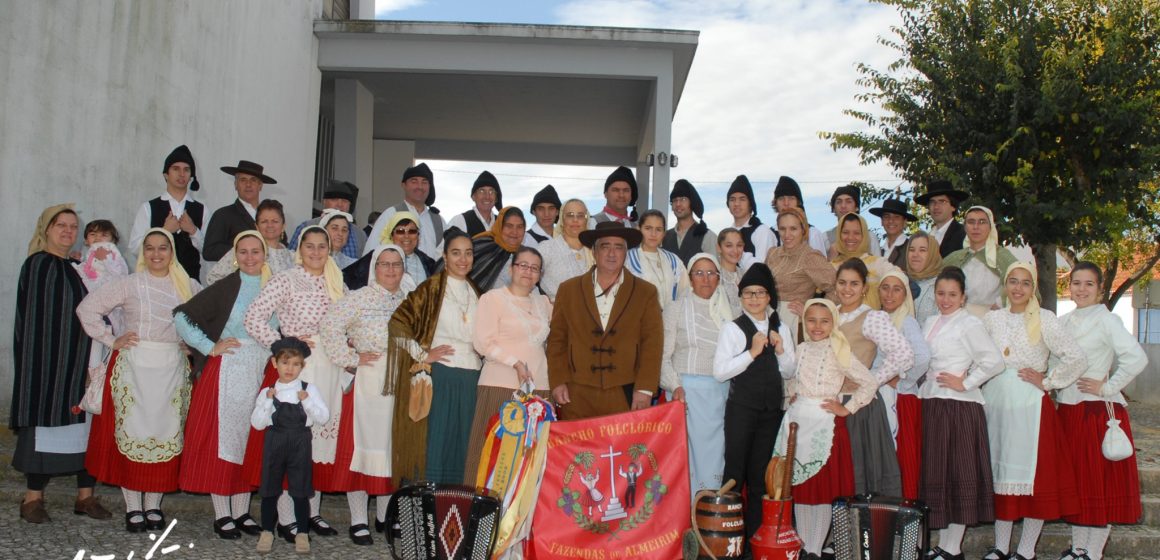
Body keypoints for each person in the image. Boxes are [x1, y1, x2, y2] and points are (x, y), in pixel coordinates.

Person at [78, 228, 201, 533]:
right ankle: (133, 507)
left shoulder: (188, 286)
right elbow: (87, 308)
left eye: (163, 248)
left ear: (172, 252)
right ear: (142, 252)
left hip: (171, 370)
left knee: (165, 435)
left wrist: (190, 344)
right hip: (134, 368)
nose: (157, 254)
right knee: (131, 436)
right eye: (150, 248)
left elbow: (207, 320)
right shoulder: (129, 284)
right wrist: (111, 339)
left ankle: (153, 506)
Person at [243, 225, 346, 540]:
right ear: (299, 249)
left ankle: (311, 514)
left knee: (319, 444)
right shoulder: (286, 279)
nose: (316, 252)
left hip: (328, 366)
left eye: (322, 246)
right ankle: (287, 519)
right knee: (294, 442)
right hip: (298, 369)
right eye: (310, 246)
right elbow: (253, 317)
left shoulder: (336, 281)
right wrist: (284, 346)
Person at [11, 205, 111, 524]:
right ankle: (32, 499)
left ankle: (85, 497)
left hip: (82, 361)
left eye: (72, 226)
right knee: (43, 428)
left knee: (85, 430)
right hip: (47, 365)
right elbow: (37, 320)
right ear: (47, 229)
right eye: (60, 225)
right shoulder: (38, 264)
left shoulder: (79, 268)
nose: (67, 231)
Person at [981, 262, 1086, 560]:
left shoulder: (1045, 319)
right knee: (999, 474)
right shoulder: (992, 319)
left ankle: (1026, 550)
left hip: (1029, 406)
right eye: (1012, 281)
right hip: (996, 403)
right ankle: (1001, 547)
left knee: (1033, 481)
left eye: (1025, 283)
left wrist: (1049, 381)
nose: (1018, 288)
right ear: (1005, 285)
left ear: (1033, 287)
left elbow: (1076, 357)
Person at [174, 231, 272, 539]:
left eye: (255, 251)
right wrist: (208, 345)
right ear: (235, 255)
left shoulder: (276, 286)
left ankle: (242, 511)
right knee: (224, 441)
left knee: (250, 441)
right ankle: (223, 514)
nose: (249, 257)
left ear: (264, 254)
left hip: (263, 368)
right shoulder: (227, 286)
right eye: (243, 252)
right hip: (230, 366)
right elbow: (182, 317)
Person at [320, 244, 414, 544]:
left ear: (403, 268)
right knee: (361, 452)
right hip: (368, 384)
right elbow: (329, 326)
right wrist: (350, 358)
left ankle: (385, 516)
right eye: (384, 264)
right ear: (374, 268)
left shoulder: (410, 302)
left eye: (396, 264)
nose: (390, 270)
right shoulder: (358, 298)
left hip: (400, 383)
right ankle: (358, 519)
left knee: (392, 449)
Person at [1057, 262, 1148, 560]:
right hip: (1068, 412)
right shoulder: (1065, 321)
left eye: (1089, 284)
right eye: (1076, 283)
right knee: (1078, 485)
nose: (1081, 289)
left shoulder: (1107, 320)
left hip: (1096, 413)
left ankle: (1092, 553)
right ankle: (1078, 548)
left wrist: (1108, 387)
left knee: (1099, 485)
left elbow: (1136, 358)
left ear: (1099, 290)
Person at [772, 298, 874, 560]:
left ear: (833, 324)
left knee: (822, 491)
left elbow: (869, 382)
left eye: (824, 321)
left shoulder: (838, 350)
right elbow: (793, 379)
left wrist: (846, 408)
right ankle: (805, 545)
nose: (817, 326)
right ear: (804, 321)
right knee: (802, 489)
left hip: (824, 425)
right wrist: (791, 395)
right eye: (812, 320)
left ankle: (815, 548)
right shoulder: (802, 348)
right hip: (797, 423)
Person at [919, 266, 1005, 560]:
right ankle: (942, 545)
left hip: (958, 407)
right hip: (932, 403)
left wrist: (964, 382)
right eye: (941, 293)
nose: (945, 299)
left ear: (963, 296)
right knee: (938, 475)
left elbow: (993, 361)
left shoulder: (969, 323)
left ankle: (952, 547)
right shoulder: (930, 320)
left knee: (957, 474)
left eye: (952, 294)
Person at [385, 230, 482, 485]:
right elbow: (397, 323)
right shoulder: (431, 288)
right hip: (442, 375)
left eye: (468, 253)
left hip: (472, 377)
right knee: (438, 442)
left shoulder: (477, 291)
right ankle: (431, 512)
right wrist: (422, 354)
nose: (463, 259)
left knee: (465, 445)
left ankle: (457, 509)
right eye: (456, 253)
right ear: (445, 256)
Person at [713, 263, 796, 547]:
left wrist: (782, 350)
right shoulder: (733, 329)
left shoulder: (781, 327)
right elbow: (720, 371)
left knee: (762, 476)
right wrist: (751, 352)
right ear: (741, 296)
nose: (754, 298)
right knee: (735, 473)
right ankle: (727, 540)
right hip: (741, 410)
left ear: (769, 296)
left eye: (760, 292)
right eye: (748, 293)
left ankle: (756, 540)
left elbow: (789, 371)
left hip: (771, 411)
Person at [547, 222, 662, 420]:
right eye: (605, 246)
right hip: (576, 393)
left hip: (624, 392)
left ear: (626, 253)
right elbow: (557, 340)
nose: (612, 253)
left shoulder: (646, 292)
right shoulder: (568, 290)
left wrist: (644, 388)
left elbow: (652, 344)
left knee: (623, 450)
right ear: (593, 251)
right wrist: (558, 381)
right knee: (578, 451)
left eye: (618, 247)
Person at [465, 246, 554, 484]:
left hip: (539, 390)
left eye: (535, 268)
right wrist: (515, 363)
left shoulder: (544, 303)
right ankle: (485, 514)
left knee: (531, 460)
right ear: (512, 268)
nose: (528, 272)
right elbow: (483, 343)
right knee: (493, 457)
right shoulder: (492, 299)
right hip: (500, 386)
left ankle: (523, 519)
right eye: (523, 265)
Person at [833, 258, 914, 497]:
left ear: (864, 288)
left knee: (861, 473)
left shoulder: (871, 318)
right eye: (842, 283)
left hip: (861, 406)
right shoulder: (830, 314)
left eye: (854, 284)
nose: (847, 289)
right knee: (839, 476)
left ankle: (868, 533)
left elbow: (904, 354)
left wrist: (872, 381)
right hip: (832, 402)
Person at [661, 253, 733, 494]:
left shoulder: (730, 310)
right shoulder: (676, 308)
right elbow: (663, 355)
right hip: (687, 394)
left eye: (711, 273)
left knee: (719, 454)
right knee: (690, 457)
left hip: (722, 394)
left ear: (719, 278)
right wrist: (675, 386)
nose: (706, 279)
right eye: (699, 273)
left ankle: (712, 513)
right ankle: (689, 515)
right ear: (690, 278)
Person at [251, 337, 329, 555]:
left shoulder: (309, 389)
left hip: (300, 442)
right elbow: (257, 424)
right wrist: (267, 401)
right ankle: (267, 531)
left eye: (295, 364)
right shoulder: (268, 390)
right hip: (274, 441)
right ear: (275, 363)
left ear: (302, 366)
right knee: (269, 489)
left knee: (300, 489)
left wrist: (307, 401)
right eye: (285, 363)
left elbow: (323, 417)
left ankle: (302, 533)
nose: (290, 368)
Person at [875, 271, 931, 501]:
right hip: (879, 395)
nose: (889, 294)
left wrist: (903, 380)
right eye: (885, 287)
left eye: (896, 289)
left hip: (899, 399)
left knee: (900, 459)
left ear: (905, 293)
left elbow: (923, 356)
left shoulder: (906, 320)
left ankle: (901, 517)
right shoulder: (876, 317)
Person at [129, 145, 204, 279]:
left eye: (186, 170)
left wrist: (193, 231)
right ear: (166, 174)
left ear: (191, 175)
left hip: (191, 282)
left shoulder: (202, 209)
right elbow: (135, 248)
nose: (181, 174)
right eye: (176, 169)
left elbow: (207, 251)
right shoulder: (148, 207)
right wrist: (164, 231)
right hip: (155, 282)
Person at [764, 207, 836, 338]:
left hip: (795, 325)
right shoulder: (772, 253)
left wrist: (813, 313)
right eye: (782, 229)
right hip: (768, 320)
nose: (787, 234)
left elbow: (836, 287)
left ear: (803, 230)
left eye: (793, 229)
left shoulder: (810, 256)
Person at [942, 206, 1018, 317]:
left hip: (994, 319)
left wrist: (999, 303)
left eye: (982, 222)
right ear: (965, 227)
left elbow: (1022, 282)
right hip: (958, 320)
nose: (976, 227)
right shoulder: (954, 258)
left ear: (990, 226)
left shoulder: (1002, 256)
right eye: (971, 222)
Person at [365, 163, 445, 258]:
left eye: (424, 182)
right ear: (403, 185)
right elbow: (370, 254)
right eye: (414, 181)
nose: (420, 186)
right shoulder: (391, 215)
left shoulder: (438, 221)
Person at [202, 160, 277, 262]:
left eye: (253, 180)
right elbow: (209, 251)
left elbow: (283, 244)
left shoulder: (272, 215)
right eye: (243, 180)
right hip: (236, 275)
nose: (248, 184)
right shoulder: (223, 215)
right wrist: (244, 251)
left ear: (260, 185)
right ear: (235, 184)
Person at [207, 199, 295, 285]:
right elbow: (213, 277)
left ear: (283, 226)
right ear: (256, 226)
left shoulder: (293, 257)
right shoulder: (243, 251)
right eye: (264, 221)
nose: (270, 225)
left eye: (275, 221)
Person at [345, 210, 438, 290]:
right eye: (400, 231)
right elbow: (345, 278)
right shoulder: (375, 257)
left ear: (418, 236)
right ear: (391, 235)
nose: (406, 236)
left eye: (412, 231)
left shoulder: (429, 263)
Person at [830, 213, 900, 309]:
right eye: (845, 232)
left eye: (857, 233)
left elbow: (901, 281)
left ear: (864, 236)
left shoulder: (877, 264)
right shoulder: (831, 267)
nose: (850, 237)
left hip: (873, 322)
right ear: (839, 234)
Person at [627, 209, 689, 310]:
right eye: (648, 228)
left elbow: (685, 294)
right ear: (639, 229)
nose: (653, 234)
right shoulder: (628, 259)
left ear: (664, 233)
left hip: (670, 322)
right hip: (639, 322)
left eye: (658, 229)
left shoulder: (674, 261)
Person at [289, 180, 367, 259]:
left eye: (344, 201)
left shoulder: (359, 235)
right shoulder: (305, 227)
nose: (340, 204)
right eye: (334, 199)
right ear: (324, 202)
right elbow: (291, 260)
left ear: (350, 205)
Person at [538, 199, 593, 301]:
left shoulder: (595, 252)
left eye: (580, 215)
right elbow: (528, 278)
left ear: (587, 220)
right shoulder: (547, 248)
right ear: (562, 219)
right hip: (556, 313)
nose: (575, 220)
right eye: (570, 215)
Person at [469, 206, 527, 291]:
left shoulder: (525, 255)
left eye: (519, 227)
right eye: (509, 226)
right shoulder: (481, 246)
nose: (514, 232)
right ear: (500, 226)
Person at [769, 175, 829, 256]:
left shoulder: (813, 234)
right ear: (775, 203)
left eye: (791, 198)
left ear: (798, 202)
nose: (786, 203)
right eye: (781, 198)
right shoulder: (770, 234)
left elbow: (821, 266)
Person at [663, 179, 717, 264]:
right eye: (674, 200)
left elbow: (714, 270)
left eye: (683, 199)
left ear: (692, 203)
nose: (678, 204)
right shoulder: (665, 237)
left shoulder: (707, 236)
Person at [914, 180, 969, 258]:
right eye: (932, 202)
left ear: (953, 206)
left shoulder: (965, 234)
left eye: (942, 201)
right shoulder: (926, 238)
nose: (936, 206)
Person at [824, 184, 881, 258]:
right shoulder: (825, 238)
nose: (843, 206)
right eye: (839, 202)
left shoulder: (870, 237)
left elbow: (879, 266)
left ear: (857, 207)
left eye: (848, 201)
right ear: (833, 208)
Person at [725, 174, 773, 260]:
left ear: (750, 204)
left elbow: (761, 268)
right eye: (732, 199)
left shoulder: (761, 232)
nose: (736, 204)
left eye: (742, 199)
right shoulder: (726, 234)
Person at [904, 231, 944, 325]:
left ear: (932, 254)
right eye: (912, 249)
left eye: (922, 250)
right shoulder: (901, 281)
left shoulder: (942, 286)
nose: (915, 254)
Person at [447, 171, 501, 236]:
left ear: (496, 198)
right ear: (473, 196)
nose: (487, 196)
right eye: (481, 191)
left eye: (491, 191)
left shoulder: (502, 224)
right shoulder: (460, 222)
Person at [869, 197, 918, 268]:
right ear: (881, 221)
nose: (891, 221)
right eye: (886, 216)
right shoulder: (879, 252)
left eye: (896, 217)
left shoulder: (911, 248)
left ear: (904, 222)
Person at [715, 228, 749, 315]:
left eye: (739, 245)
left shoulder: (747, 276)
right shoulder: (714, 277)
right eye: (729, 246)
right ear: (719, 248)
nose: (735, 251)